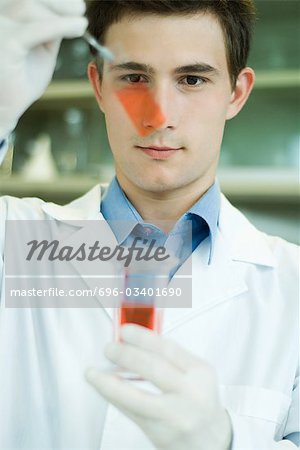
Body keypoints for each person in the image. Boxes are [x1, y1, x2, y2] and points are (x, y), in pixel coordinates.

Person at [0, 1, 298, 449]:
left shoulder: (292, 287)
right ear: (99, 87)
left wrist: (227, 442)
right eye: (134, 78)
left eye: (192, 80)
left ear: (236, 93)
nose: (159, 116)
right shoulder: (15, 241)